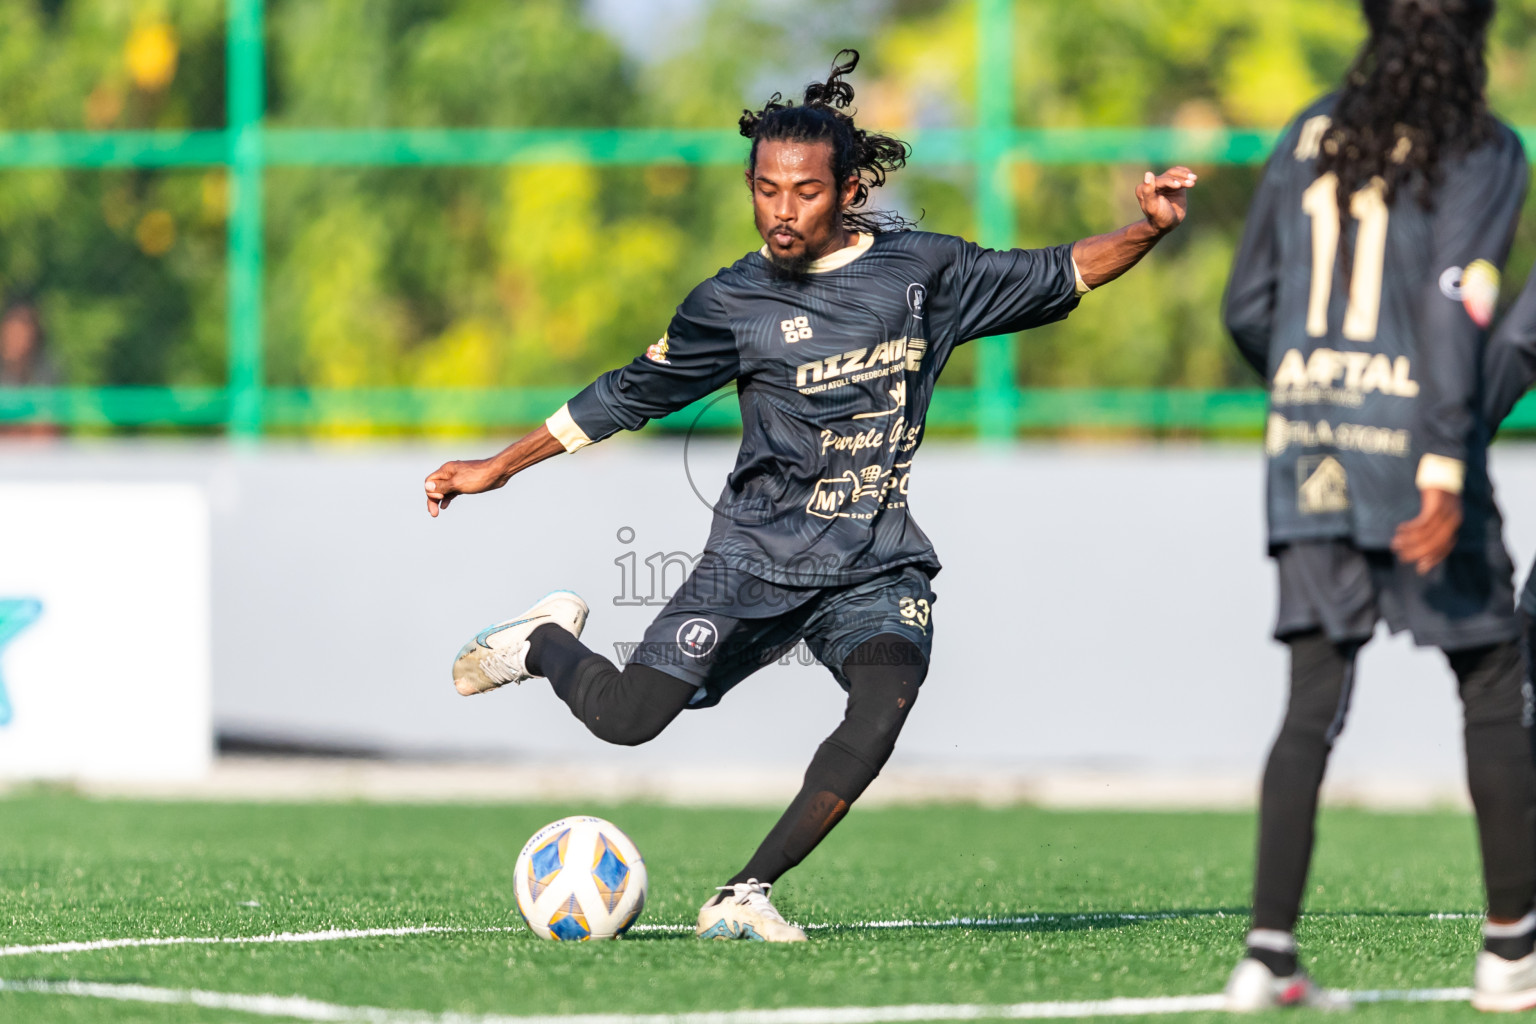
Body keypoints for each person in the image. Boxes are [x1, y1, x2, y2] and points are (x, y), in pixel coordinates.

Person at [425, 50, 1196, 942]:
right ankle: (541, 642)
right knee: (628, 723)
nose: (782, 211)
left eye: (805, 192)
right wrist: (497, 466)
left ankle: (743, 892)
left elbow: (1062, 270)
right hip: (752, 558)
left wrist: (1148, 229)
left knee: (887, 698)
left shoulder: (923, 275)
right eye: (765, 190)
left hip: (872, 562)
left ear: (851, 189)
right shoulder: (731, 302)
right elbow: (627, 393)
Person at [1222, 0, 1536, 1010]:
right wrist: (1444, 465)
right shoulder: (1482, 145)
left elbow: (1247, 307)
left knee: (1312, 699)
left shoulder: (1310, 129)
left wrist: (1312, 394)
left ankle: (1267, 952)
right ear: (1475, 31)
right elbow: (1458, 305)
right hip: (1421, 443)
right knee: (1490, 679)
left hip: (1307, 441)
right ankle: (1510, 951)